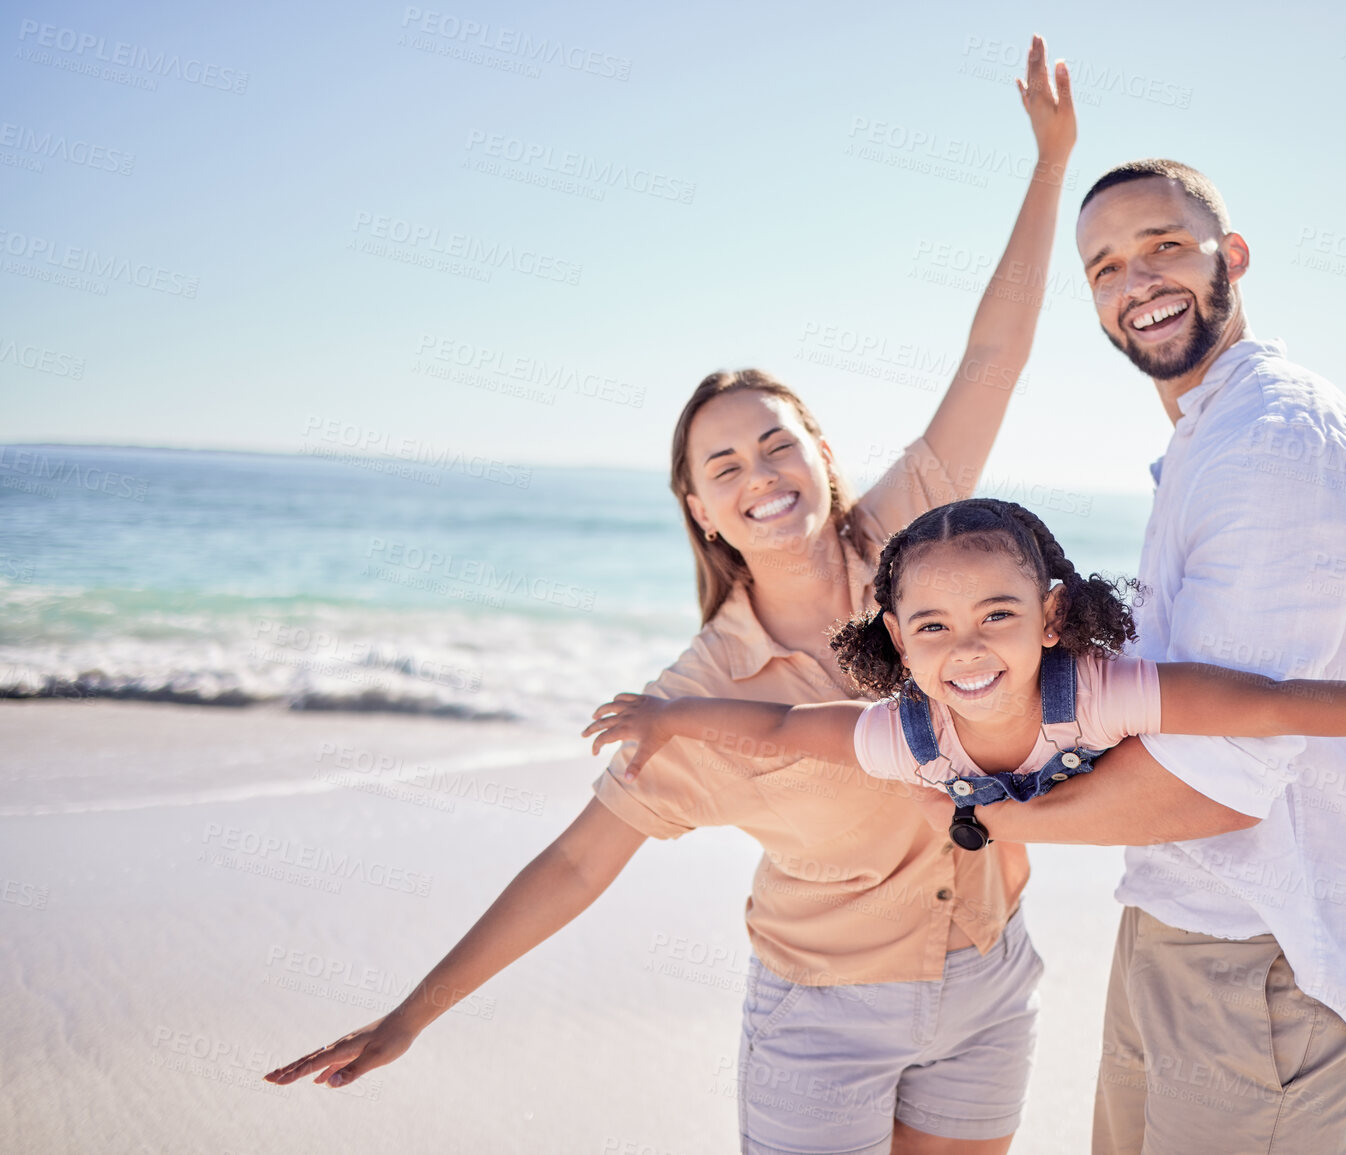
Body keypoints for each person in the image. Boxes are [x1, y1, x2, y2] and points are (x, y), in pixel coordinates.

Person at [265, 36, 1084, 1155]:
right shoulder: (700, 694)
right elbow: (573, 864)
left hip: (990, 978)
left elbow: (993, 354)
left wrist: (1048, 166)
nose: (761, 477)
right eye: (725, 467)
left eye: (775, 445)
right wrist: (415, 1012)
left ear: (821, 455)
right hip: (825, 1017)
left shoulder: (905, 545)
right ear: (700, 509)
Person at [906, 160, 1346, 1154]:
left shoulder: (1276, 447)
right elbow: (1170, 708)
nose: (1138, 282)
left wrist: (993, 820)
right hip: (1180, 921)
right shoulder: (1208, 442)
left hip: (1271, 959)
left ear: (1230, 258)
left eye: (1163, 246)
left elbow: (1219, 777)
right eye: (1106, 267)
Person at [585, 498, 1346, 836]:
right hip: (978, 807)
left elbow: (1272, 707)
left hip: (1092, 790)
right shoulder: (902, 736)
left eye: (999, 616)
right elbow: (779, 730)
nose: (967, 649)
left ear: (1051, 618)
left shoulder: (1099, 689)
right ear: (891, 636)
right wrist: (667, 718)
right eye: (930, 628)